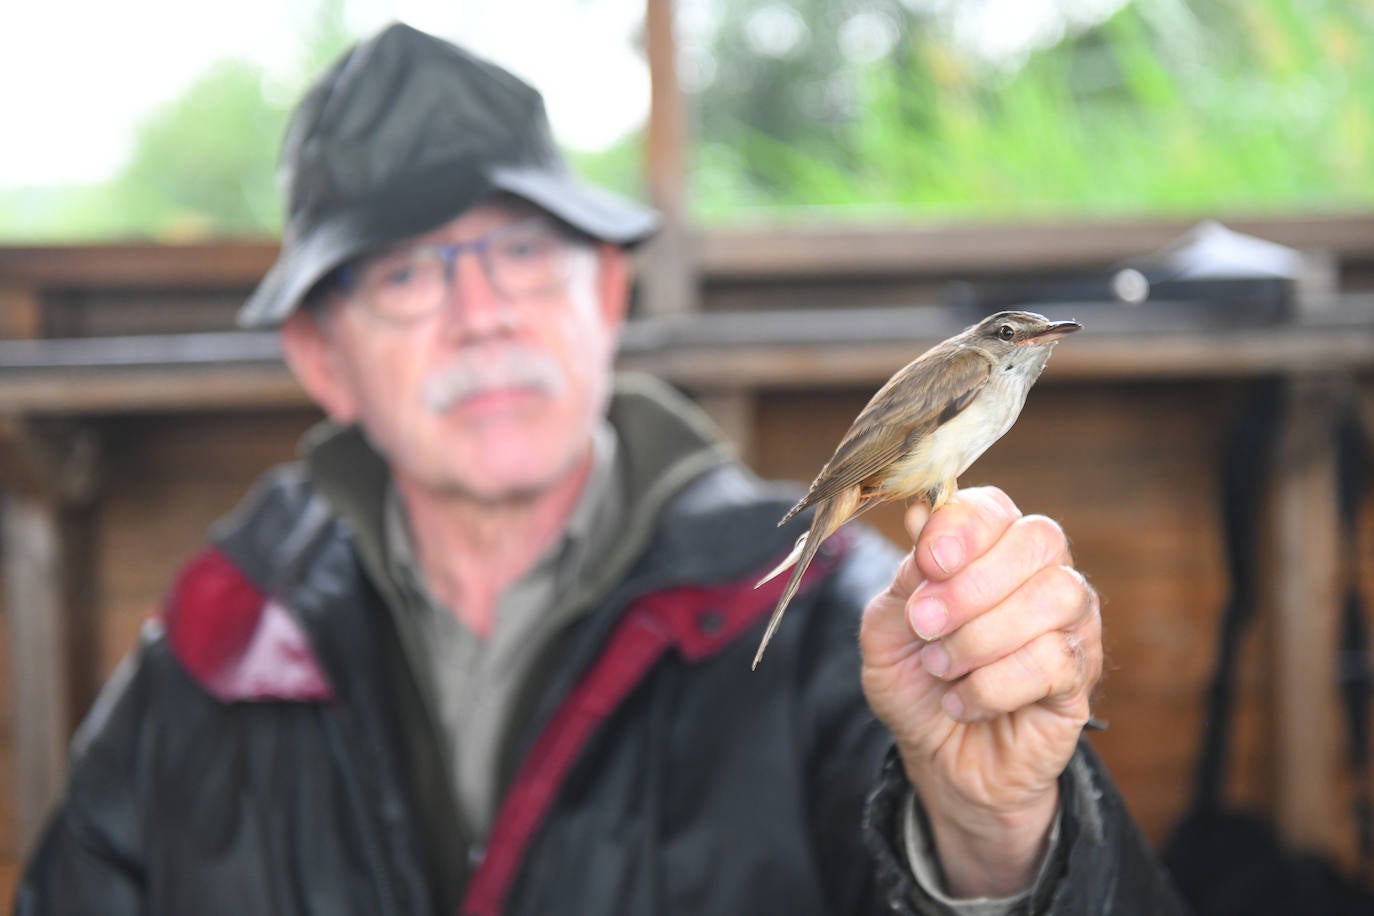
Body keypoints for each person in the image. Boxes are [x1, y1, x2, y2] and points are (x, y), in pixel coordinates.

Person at [15, 22, 1185, 915]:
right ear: (321, 354)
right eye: (409, 274)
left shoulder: (835, 618)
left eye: (523, 248)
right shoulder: (207, 656)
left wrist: (1004, 836)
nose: (481, 312)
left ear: (605, 292)